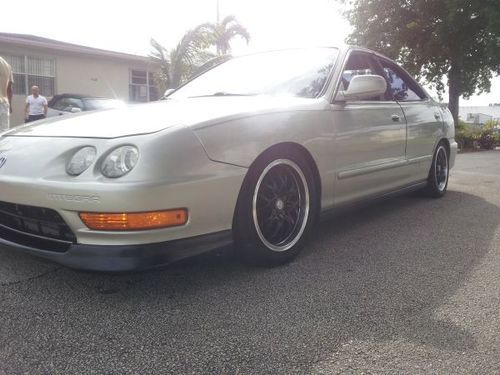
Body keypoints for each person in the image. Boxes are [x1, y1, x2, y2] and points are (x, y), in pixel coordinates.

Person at [0, 56, 14, 132]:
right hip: (4, 103)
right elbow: (9, 89)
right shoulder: (7, 65)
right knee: (3, 132)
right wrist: (10, 105)